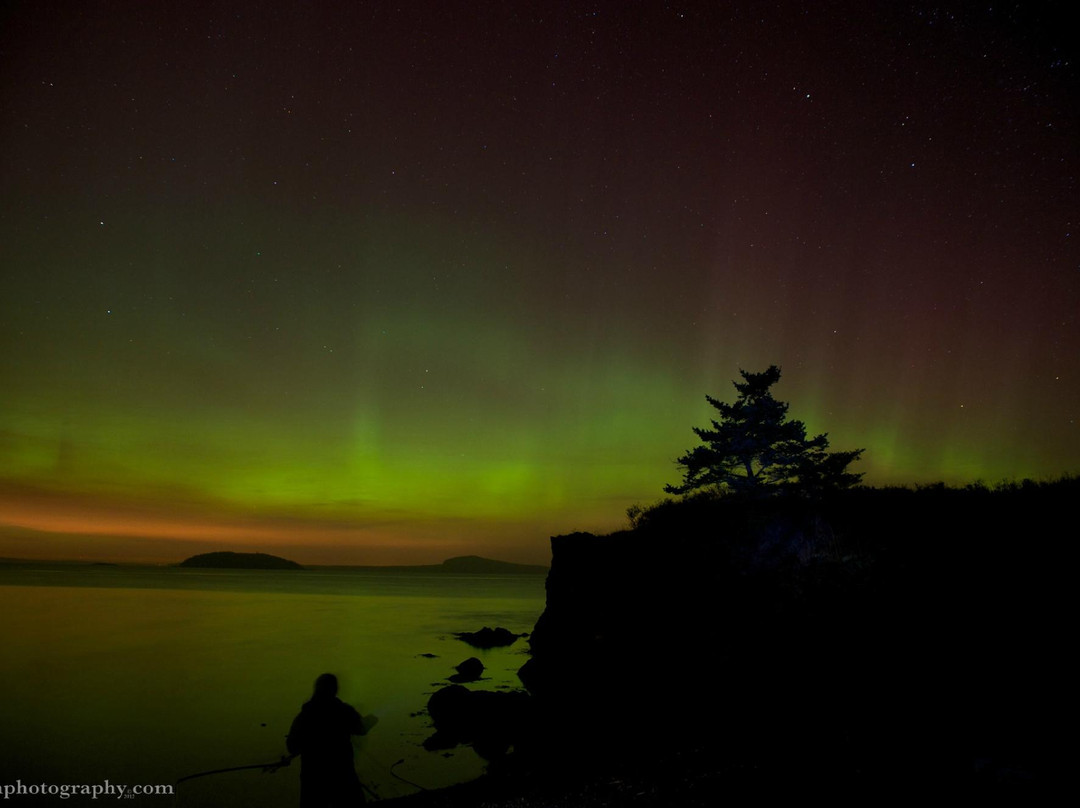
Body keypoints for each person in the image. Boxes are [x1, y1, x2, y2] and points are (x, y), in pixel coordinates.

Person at [287, 673, 368, 807]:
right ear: (335, 690)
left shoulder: (305, 715)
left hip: (313, 778)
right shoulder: (344, 711)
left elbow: (292, 745)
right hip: (343, 774)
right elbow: (361, 729)